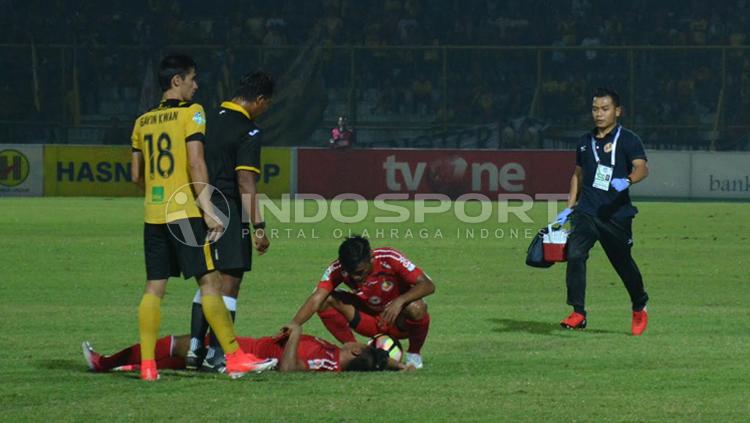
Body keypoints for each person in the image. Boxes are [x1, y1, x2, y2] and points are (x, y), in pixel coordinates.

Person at [129, 54, 275, 381]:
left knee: (154, 288)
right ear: (176, 81)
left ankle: (149, 367)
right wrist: (209, 211)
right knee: (211, 283)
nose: (196, 86)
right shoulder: (192, 114)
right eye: (192, 79)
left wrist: (158, 195)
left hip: (154, 213)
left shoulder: (142, 121)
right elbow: (197, 164)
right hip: (186, 211)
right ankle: (233, 357)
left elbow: (136, 174)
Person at [186, 71, 274, 372]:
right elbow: (246, 182)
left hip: (199, 203)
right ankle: (217, 354)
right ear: (260, 100)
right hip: (227, 207)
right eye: (266, 105)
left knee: (208, 277)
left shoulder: (205, 119)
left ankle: (195, 349)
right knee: (230, 281)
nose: (265, 111)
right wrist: (258, 227)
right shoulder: (247, 131)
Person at [555, 87, 650, 336]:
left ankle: (639, 304)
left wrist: (628, 180)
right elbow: (577, 175)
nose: (599, 114)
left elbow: (642, 168)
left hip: (616, 215)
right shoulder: (585, 142)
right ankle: (578, 312)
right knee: (575, 255)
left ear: (617, 111)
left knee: (623, 264)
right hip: (586, 212)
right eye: (595, 109)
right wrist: (568, 208)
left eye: (605, 109)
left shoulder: (628, 139)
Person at [288, 236, 435, 369]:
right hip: (368, 319)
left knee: (417, 307)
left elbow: (428, 285)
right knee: (326, 299)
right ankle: (353, 348)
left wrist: (399, 301)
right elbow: (317, 298)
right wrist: (293, 325)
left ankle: (414, 355)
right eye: (350, 273)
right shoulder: (338, 268)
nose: (356, 278)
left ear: (371, 257)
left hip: (397, 321)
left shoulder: (389, 258)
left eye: (360, 272)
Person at [82, 322, 413, 373]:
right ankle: (125, 366)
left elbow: (287, 370)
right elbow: (375, 360)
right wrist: (397, 365)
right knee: (184, 358)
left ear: (356, 351)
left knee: (182, 345)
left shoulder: (329, 363)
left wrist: (296, 332)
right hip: (248, 346)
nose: (355, 339)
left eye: (361, 344)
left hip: (247, 353)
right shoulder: (334, 355)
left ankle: (105, 363)